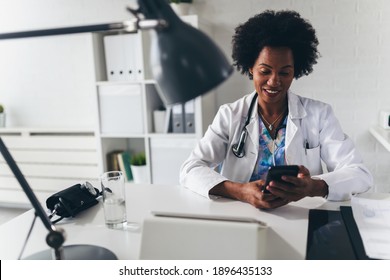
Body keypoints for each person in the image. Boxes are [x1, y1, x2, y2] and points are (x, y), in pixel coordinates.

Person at [179, 10, 373, 209]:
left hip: (302, 217)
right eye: (265, 71)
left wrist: (312, 187)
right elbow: (190, 169)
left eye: (284, 72)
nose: (274, 81)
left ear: (295, 72)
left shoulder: (319, 115)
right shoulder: (230, 115)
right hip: (242, 218)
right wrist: (240, 190)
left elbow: (359, 174)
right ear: (250, 69)